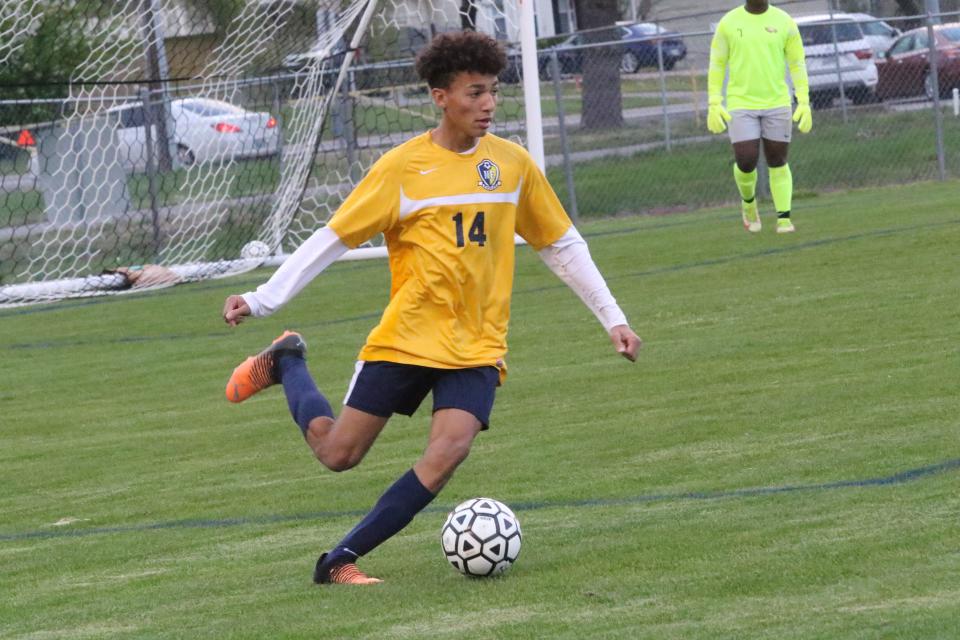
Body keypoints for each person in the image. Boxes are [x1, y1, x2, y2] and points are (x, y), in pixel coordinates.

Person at [221, 31, 641, 585]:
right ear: (440, 97)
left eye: (492, 91)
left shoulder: (512, 165)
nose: (488, 104)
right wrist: (261, 298)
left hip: (477, 345)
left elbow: (561, 243)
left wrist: (613, 317)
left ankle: (339, 561)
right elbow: (334, 237)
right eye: (474, 93)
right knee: (338, 454)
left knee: (449, 451)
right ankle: (287, 362)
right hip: (409, 338)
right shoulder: (401, 169)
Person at [707, 0, 812, 234]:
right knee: (746, 159)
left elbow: (797, 63)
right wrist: (714, 101)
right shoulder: (728, 24)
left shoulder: (785, 22)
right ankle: (748, 204)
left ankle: (784, 219)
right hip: (740, 103)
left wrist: (803, 100)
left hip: (777, 103)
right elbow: (717, 63)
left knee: (778, 159)